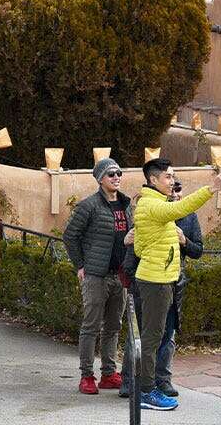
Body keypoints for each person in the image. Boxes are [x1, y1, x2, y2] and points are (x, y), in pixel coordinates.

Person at [131, 158, 221, 411]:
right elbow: (181, 208)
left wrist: (159, 255)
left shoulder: (152, 205)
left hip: (160, 278)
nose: (172, 181)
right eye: (168, 177)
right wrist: (212, 188)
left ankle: (147, 388)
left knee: (155, 336)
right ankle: (146, 392)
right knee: (152, 338)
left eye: (173, 176)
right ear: (153, 180)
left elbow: (140, 246)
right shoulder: (152, 205)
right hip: (155, 281)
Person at [118, 167, 204, 399]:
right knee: (142, 335)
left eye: (177, 187)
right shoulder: (153, 209)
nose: (174, 190)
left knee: (166, 335)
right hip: (149, 281)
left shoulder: (188, 217)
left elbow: (198, 250)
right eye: (170, 184)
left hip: (174, 281)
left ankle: (160, 380)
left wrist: (184, 240)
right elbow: (135, 251)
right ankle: (132, 382)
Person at [62, 157, 133, 395]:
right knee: (91, 326)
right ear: (100, 179)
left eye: (119, 173)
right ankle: (86, 375)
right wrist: (80, 265)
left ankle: (108, 373)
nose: (116, 177)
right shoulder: (89, 206)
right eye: (111, 174)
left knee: (114, 326)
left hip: (120, 275)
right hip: (96, 275)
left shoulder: (125, 205)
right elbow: (70, 236)